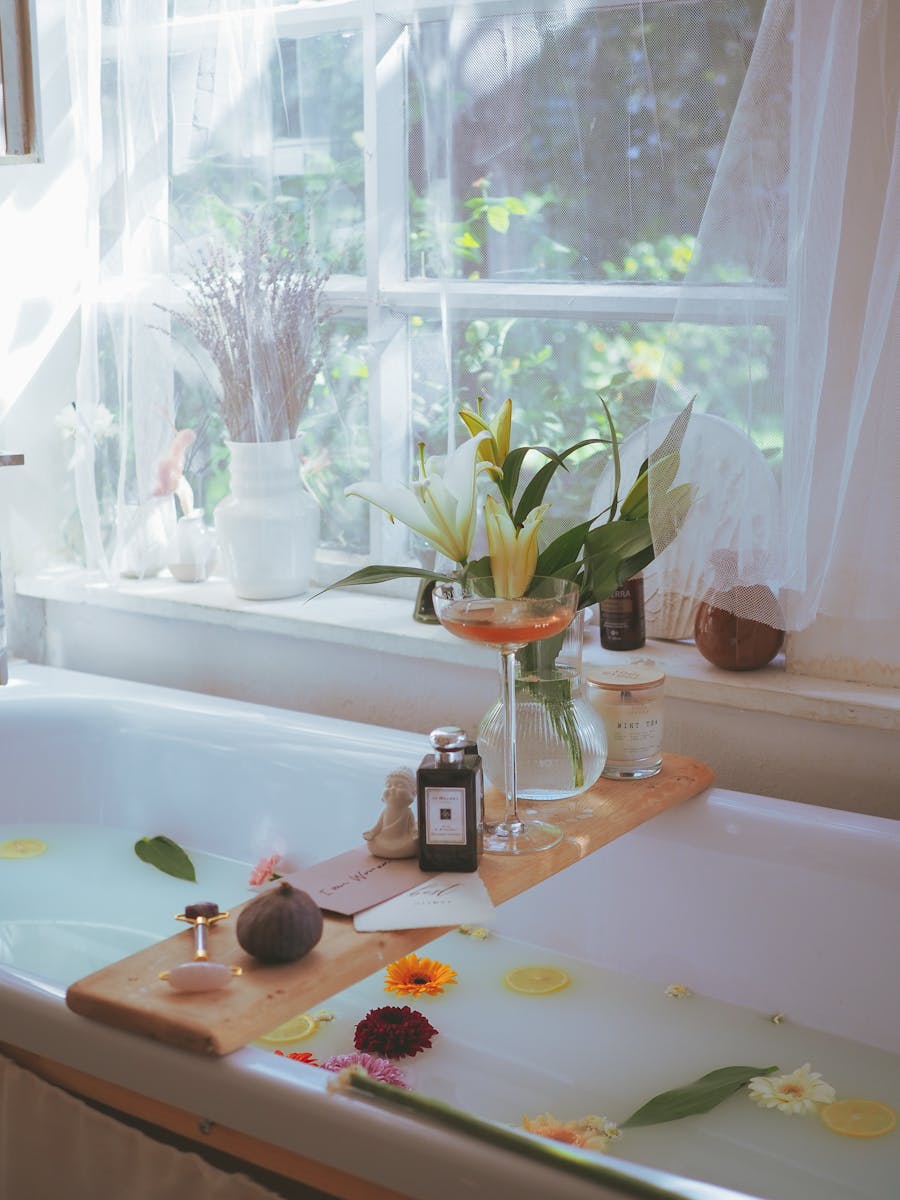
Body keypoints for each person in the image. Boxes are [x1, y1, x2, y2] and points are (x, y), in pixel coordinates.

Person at [363, 767, 418, 858]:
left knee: (413, 845)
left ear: (413, 793)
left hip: (402, 839)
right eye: (388, 785)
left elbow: (411, 828)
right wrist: (372, 833)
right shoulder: (385, 811)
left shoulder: (407, 812)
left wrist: (415, 833)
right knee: (372, 843)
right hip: (384, 838)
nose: (392, 788)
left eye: (400, 786)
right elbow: (379, 826)